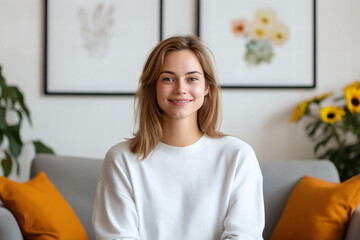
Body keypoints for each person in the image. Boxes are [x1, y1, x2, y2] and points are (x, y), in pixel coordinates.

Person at [92, 35, 265, 240]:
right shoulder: (121, 159)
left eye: (192, 78)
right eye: (168, 79)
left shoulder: (238, 155)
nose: (181, 89)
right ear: (153, 87)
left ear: (207, 87)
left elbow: (244, 235)